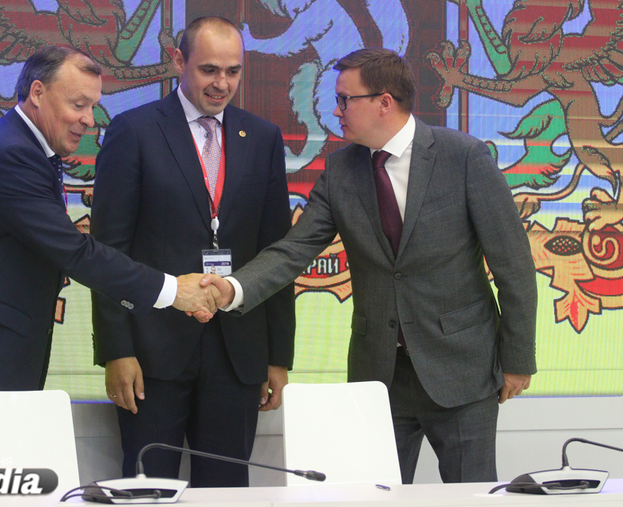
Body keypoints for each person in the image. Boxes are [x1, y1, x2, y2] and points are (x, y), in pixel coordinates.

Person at [0, 45, 222, 488]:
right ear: (37, 93)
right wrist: (172, 291)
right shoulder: (12, 154)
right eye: (78, 104)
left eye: (93, 107)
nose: (89, 120)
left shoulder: (23, 149)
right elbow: (75, 252)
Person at [204, 48, 537, 484]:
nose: (336, 111)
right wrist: (233, 288)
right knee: (373, 494)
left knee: (472, 494)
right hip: (378, 376)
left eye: (345, 100)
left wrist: (517, 359)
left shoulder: (463, 156)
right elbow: (293, 250)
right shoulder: (341, 169)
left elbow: (514, 266)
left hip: (462, 369)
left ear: (384, 102)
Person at [90, 17, 295, 487]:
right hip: (150, 354)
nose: (222, 83)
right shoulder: (134, 130)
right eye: (208, 70)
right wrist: (117, 351)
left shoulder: (262, 137)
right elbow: (107, 253)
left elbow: (276, 254)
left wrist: (278, 356)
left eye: (233, 71)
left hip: (238, 355)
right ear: (178, 61)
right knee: (146, 488)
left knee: (227, 489)